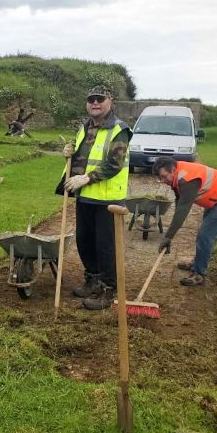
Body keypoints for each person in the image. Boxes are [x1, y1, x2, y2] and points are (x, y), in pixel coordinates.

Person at [56, 85, 132, 309]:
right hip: (85, 196)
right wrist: (69, 154)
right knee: (85, 241)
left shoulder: (119, 129)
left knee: (105, 247)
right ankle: (92, 279)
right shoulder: (85, 126)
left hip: (108, 199)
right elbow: (81, 157)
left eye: (100, 99)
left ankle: (108, 290)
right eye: (91, 99)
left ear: (110, 101)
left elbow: (114, 164)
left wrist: (87, 178)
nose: (95, 103)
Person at [154, 156, 217, 286]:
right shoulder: (177, 174)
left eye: (164, 176)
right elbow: (180, 203)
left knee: (205, 235)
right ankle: (197, 262)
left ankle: (199, 274)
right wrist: (169, 236)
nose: (163, 180)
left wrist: (168, 237)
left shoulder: (186, 180)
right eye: (160, 178)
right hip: (216, 198)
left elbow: (183, 210)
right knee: (204, 234)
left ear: (173, 170)